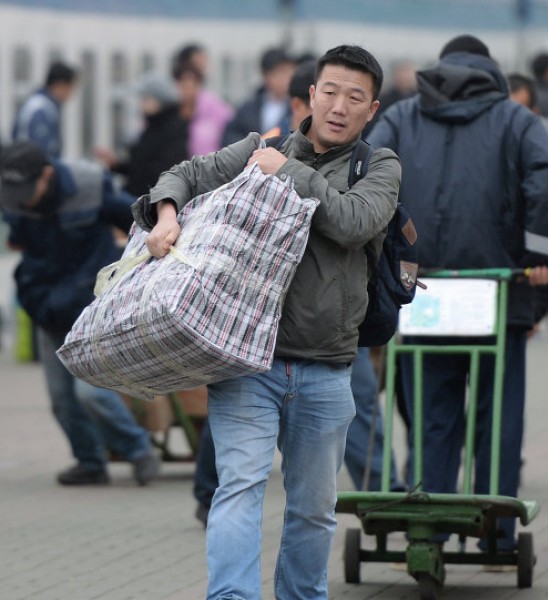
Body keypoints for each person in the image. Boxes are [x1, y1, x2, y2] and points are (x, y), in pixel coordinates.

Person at [135, 45, 400, 599]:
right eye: (329, 91)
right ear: (310, 96)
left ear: (371, 110)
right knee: (239, 489)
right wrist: (165, 215)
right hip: (246, 360)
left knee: (313, 510)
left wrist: (291, 172)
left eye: (355, 97)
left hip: (327, 367)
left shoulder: (378, 166)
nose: (338, 106)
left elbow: (353, 222)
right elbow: (184, 174)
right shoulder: (263, 146)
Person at [366, 34, 548, 553]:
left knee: (431, 417)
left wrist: (382, 255)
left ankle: (429, 531)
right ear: (492, 72)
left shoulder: (400, 118)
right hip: (498, 294)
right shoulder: (516, 120)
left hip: (422, 293)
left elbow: (369, 176)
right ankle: (496, 534)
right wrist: (543, 258)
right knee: (497, 415)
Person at [0, 140, 161, 486]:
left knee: (91, 392)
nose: (22, 200)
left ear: (46, 174)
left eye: (28, 189)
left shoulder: (88, 188)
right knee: (61, 400)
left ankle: (139, 449)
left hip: (90, 308)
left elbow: (136, 222)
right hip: (45, 306)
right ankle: (90, 462)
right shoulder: (14, 197)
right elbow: (19, 240)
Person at [93, 74, 190, 197]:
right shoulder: (153, 125)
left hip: (150, 199)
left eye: (146, 99)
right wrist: (116, 164)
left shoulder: (172, 129)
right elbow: (139, 166)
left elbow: (160, 171)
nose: (142, 104)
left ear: (160, 101)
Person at [221, 46, 296, 145]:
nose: (287, 78)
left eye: (290, 72)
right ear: (266, 75)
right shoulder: (248, 108)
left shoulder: (297, 108)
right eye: (281, 72)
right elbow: (231, 137)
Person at [172, 43, 234, 157]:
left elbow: (231, 138)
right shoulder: (167, 110)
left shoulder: (215, 108)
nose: (204, 67)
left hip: (208, 170)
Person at [11, 61, 78, 159]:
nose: (72, 93)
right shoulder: (41, 110)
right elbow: (41, 154)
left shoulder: (44, 106)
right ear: (60, 85)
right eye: (71, 87)